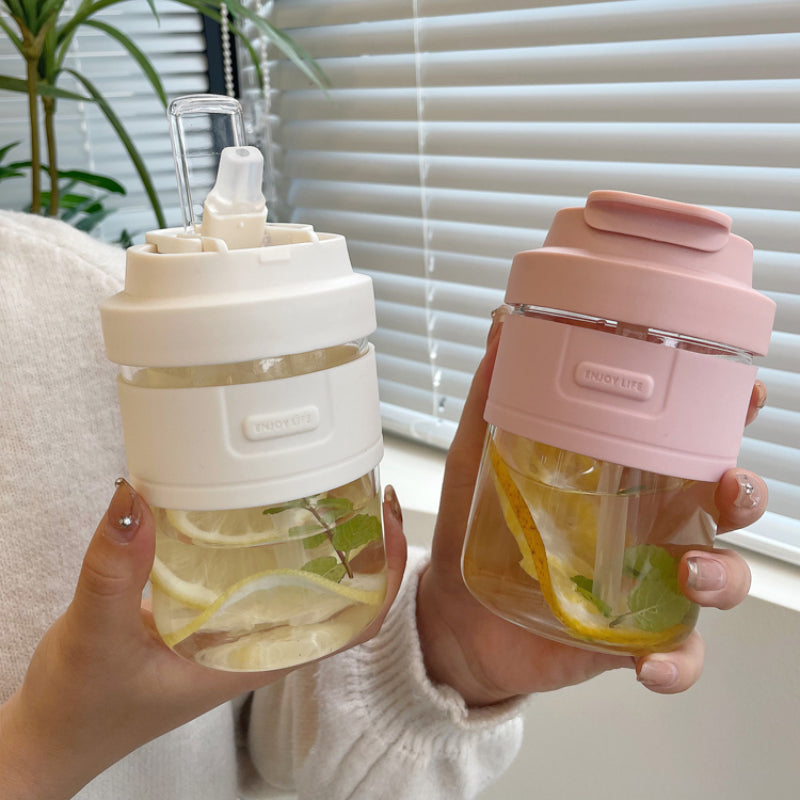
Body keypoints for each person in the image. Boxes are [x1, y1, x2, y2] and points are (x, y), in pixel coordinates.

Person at [0, 209, 766, 800]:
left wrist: (454, 656)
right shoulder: (142, 325)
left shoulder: (83, 292)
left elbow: (279, 721)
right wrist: (43, 747)